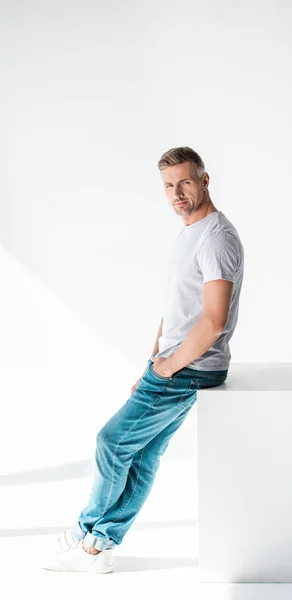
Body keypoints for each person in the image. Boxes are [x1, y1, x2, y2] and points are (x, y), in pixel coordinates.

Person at [43, 146, 245, 573]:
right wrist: (152, 360)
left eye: (185, 182)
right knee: (143, 455)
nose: (177, 193)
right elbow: (178, 309)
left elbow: (213, 320)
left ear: (205, 180)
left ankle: (85, 535)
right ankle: (100, 548)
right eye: (169, 186)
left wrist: (168, 368)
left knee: (111, 443)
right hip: (173, 363)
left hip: (187, 369)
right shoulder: (190, 231)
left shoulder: (216, 237)